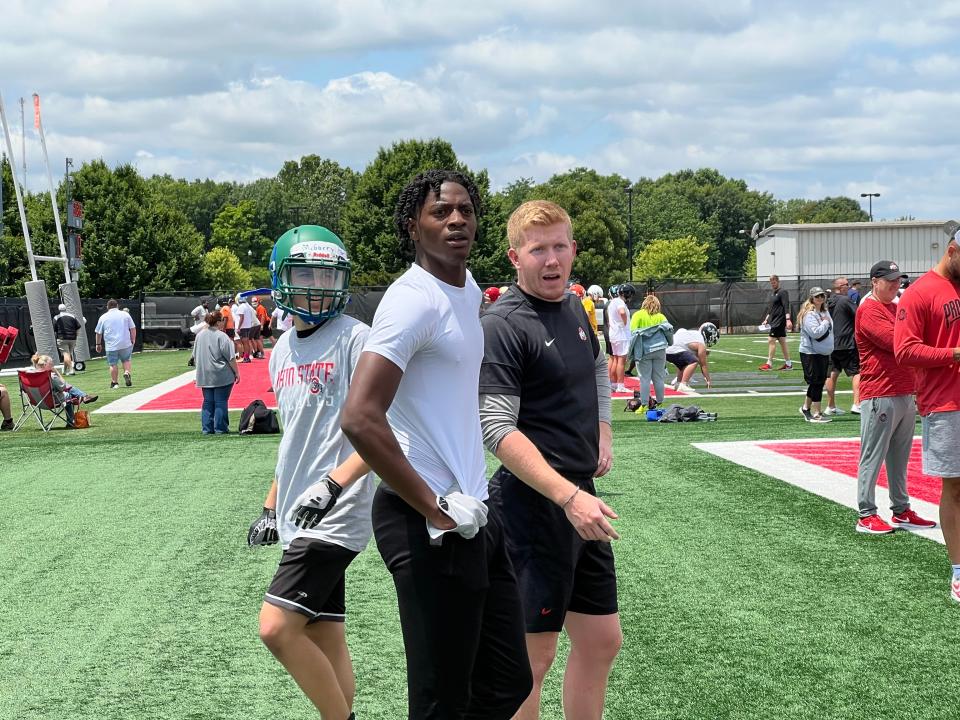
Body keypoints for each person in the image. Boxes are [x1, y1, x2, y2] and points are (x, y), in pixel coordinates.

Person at [341, 169, 532, 719]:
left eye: (465, 211)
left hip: (474, 513)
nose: (456, 220)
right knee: (440, 699)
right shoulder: (411, 301)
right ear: (412, 226)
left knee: (505, 681)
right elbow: (360, 416)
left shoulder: (467, 289)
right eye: (440, 212)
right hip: (427, 519)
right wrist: (435, 507)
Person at [479, 199, 620, 720]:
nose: (551, 259)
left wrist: (603, 428)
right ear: (516, 256)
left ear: (574, 249)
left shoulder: (576, 308)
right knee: (532, 659)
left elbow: (599, 367)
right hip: (532, 507)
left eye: (560, 246)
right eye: (538, 249)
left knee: (602, 640)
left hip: (580, 499)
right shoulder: (503, 323)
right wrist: (567, 495)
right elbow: (495, 428)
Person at [256, 225, 376, 720]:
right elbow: (294, 439)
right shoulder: (282, 349)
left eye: (328, 274)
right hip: (297, 510)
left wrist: (334, 483)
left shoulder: (355, 338)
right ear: (281, 278)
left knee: (276, 627)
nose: (317, 285)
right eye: (305, 272)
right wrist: (270, 503)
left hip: (336, 511)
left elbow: (383, 430)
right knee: (325, 633)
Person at [893, 228, 960, 603]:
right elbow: (904, 350)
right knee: (956, 487)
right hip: (946, 402)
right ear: (952, 251)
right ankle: (958, 570)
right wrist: (953, 354)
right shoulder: (920, 293)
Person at [855, 260, 937, 535]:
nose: (895, 284)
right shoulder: (869, 310)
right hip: (881, 392)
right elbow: (900, 344)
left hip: (903, 391)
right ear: (874, 281)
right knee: (873, 455)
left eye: (897, 279)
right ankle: (866, 514)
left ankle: (901, 510)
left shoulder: (894, 307)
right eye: (889, 279)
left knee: (899, 458)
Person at [193, 312, 240, 434]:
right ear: (219, 322)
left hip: (204, 374)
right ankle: (220, 428)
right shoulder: (222, 336)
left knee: (208, 402)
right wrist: (237, 373)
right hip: (221, 374)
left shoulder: (199, 336)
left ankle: (207, 429)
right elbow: (231, 358)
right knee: (221, 401)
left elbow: (194, 355)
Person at [629, 294, 674, 410]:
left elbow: (633, 333)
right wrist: (670, 342)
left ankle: (644, 405)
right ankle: (660, 402)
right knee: (658, 378)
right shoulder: (661, 317)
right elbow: (669, 331)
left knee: (644, 378)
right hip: (660, 350)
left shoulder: (637, 315)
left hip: (644, 350)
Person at [824, 277, 862, 415]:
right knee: (857, 372)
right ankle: (857, 404)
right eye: (847, 285)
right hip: (847, 343)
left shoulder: (828, 301)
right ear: (840, 287)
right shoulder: (845, 300)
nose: (849, 287)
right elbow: (859, 315)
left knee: (832, 373)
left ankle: (831, 406)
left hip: (831, 343)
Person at [30, 353, 98, 426]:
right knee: (70, 395)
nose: (53, 366)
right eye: (51, 364)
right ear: (45, 365)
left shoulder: (31, 376)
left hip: (36, 401)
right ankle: (71, 419)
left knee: (68, 392)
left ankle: (83, 397)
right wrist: (57, 373)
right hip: (51, 400)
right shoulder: (51, 376)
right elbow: (63, 387)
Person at [797, 287, 833, 423]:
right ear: (812, 298)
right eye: (817, 296)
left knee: (818, 382)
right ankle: (817, 412)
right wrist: (824, 322)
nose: (820, 298)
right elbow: (815, 333)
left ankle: (806, 408)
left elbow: (829, 329)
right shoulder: (809, 314)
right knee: (815, 382)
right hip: (810, 352)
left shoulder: (824, 311)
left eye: (822, 296)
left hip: (822, 352)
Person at [94, 299, 135, 389]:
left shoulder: (103, 317)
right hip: (125, 343)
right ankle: (127, 372)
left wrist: (98, 344)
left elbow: (98, 332)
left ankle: (115, 383)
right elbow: (132, 328)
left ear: (107, 307)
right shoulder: (125, 314)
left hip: (111, 345)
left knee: (113, 364)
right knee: (126, 360)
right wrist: (133, 339)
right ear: (117, 306)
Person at [665, 323, 717, 393]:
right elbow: (703, 365)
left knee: (685, 363)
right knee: (694, 361)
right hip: (673, 350)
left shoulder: (693, 334)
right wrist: (708, 380)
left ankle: (678, 383)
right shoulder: (701, 343)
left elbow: (684, 341)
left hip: (665, 349)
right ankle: (683, 384)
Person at [759, 274, 793, 371]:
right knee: (782, 341)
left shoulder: (783, 292)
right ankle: (788, 364)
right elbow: (771, 309)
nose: (772, 284)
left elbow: (786, 306)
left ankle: (769, 364)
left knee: (771, 339)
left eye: (774, 282)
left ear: (778, 281)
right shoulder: (773, 293)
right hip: (774, 320)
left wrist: (788, 319)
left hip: (780, 321)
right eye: (771, 282)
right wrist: (766, 319)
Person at [606, 283, 633, 393]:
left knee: (616, 360)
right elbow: (622, 312)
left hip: (614, 334)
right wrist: (625, 322)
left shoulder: (612, 302)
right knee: (621, 361)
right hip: (621, 335)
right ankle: (620, 385)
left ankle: (613, 383)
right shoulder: (620, 302)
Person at [53, 303, 82, 375]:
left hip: (62, 338)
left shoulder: (56, 317)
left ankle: (71, 370)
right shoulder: (72, 316)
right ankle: (65, 370)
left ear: (59, 309)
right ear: (66, 309)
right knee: (68, 354)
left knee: (66, 354)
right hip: (72, 338)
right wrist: (76, 335)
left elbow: (55, 329)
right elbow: (78, 327)